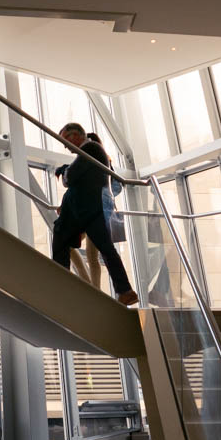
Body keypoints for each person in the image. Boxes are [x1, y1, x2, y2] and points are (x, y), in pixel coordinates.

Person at [51, 122, 139, 306]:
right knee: (104, 249)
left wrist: (65, 173)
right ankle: (123, 290)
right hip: (90, 208)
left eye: (65, 141)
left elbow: (69, 179)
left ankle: (63, 288)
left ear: (74, 137)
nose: (65, 146)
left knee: (62, 240)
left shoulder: (89, 148)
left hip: (85, 209)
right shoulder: (93, 152)